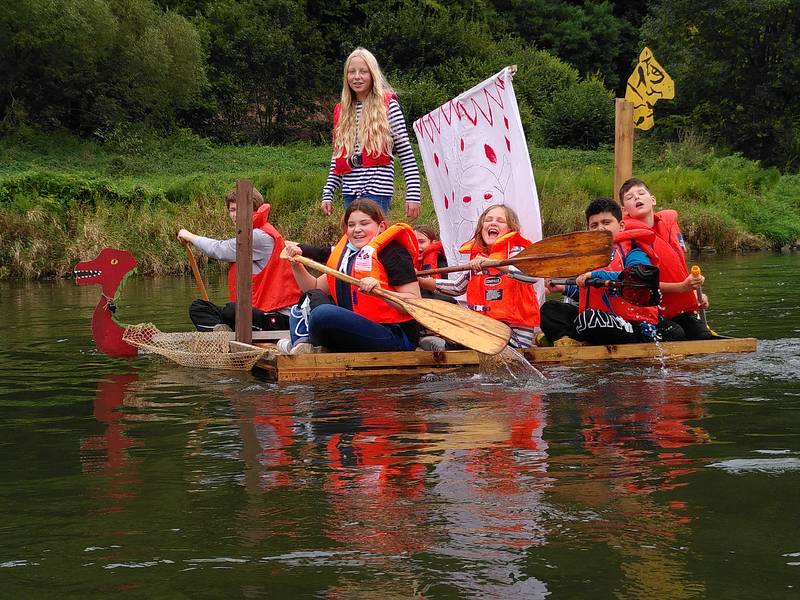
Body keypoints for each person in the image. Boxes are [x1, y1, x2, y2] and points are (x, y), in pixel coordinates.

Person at [281, 199, 422, 353]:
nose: (357, 229)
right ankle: (303, 345)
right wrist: (296, 263)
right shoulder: (347, 255)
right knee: (302, 306)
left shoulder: (393, 253)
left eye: (364, 223)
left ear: (381, 227)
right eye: (351, 225)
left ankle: (306, 342)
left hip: (395, 335)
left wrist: (381, 291)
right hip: (358, 332)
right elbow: (314, 287)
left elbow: (415, 303)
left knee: (323, 314)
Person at [539, 197, 660, 346]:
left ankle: (570, 337)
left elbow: (638, 277)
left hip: (631, 325)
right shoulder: (591, 256)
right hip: (595, 320)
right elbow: (593, 294)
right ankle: (566, 341)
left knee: (589, 319)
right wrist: (565, 288)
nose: (600, 229)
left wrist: (595, 275)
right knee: (548, 309)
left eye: (606, 223)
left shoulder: (634, 252)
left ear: (621, 226)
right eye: (594, 225)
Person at [177, 187, 301, 332]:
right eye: (232, 210)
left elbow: (219, 249)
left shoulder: (260, 236)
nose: (235, 215)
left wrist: (189, 236)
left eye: (239, 209)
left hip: (277, 317)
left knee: (233, 311)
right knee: (199, 307)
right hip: (255, 311)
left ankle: (223, 331)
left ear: (254, 209)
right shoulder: (250, 233)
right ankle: (222, 332)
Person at [419, 204, 540, 349]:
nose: (493, 222)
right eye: (488, 219)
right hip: (485, 329)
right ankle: (448, 346)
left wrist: (494, 263)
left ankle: (445, 346)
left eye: (500, 221)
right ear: (482, 227)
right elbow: (457, 287)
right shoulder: (478, 258)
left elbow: (532, 276)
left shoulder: (517, 251)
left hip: (515, 337)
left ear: (510, 229)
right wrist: (421, 281)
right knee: (458, 332)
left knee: (463, 339)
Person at [320, 47, 421, 220]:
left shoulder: (388, 107)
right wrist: (328, 191)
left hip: (377, 191)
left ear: (372, 74)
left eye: (363, 71)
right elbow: (337, 157)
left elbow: (405, 151)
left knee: (372, 241)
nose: (357, 76)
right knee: (354, 239)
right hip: (349, 191)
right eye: (352, 72)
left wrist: (413, 192)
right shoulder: (342, 111)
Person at [619, 178, 713, 340]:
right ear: (624, 210)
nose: (636, 198)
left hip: (677, 310)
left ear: (653, 200)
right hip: (649, 312)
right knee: (676, 334)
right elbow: (639, 283)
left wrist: (695, 294)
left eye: (641, 193)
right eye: (629, 197)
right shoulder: (628, 239)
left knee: (702, 335)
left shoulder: (668, 226)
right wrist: (682, 287)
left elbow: (676, 269)